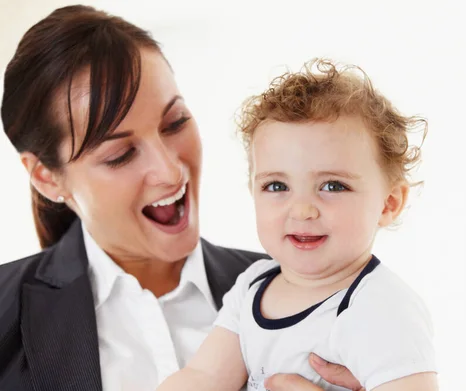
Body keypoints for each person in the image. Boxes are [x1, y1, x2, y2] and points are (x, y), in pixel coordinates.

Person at [0, 6, 358, 390]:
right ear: (47, 177)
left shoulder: (314, 290)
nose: (171, 171)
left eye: (176, 123)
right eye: (119, 155)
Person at [158, 60, 438, 391]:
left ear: (389, 203)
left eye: (333, 186)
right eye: (277, 186)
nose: (302, 210)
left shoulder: (379, 307)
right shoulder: (252, 286)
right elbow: (204, 377)